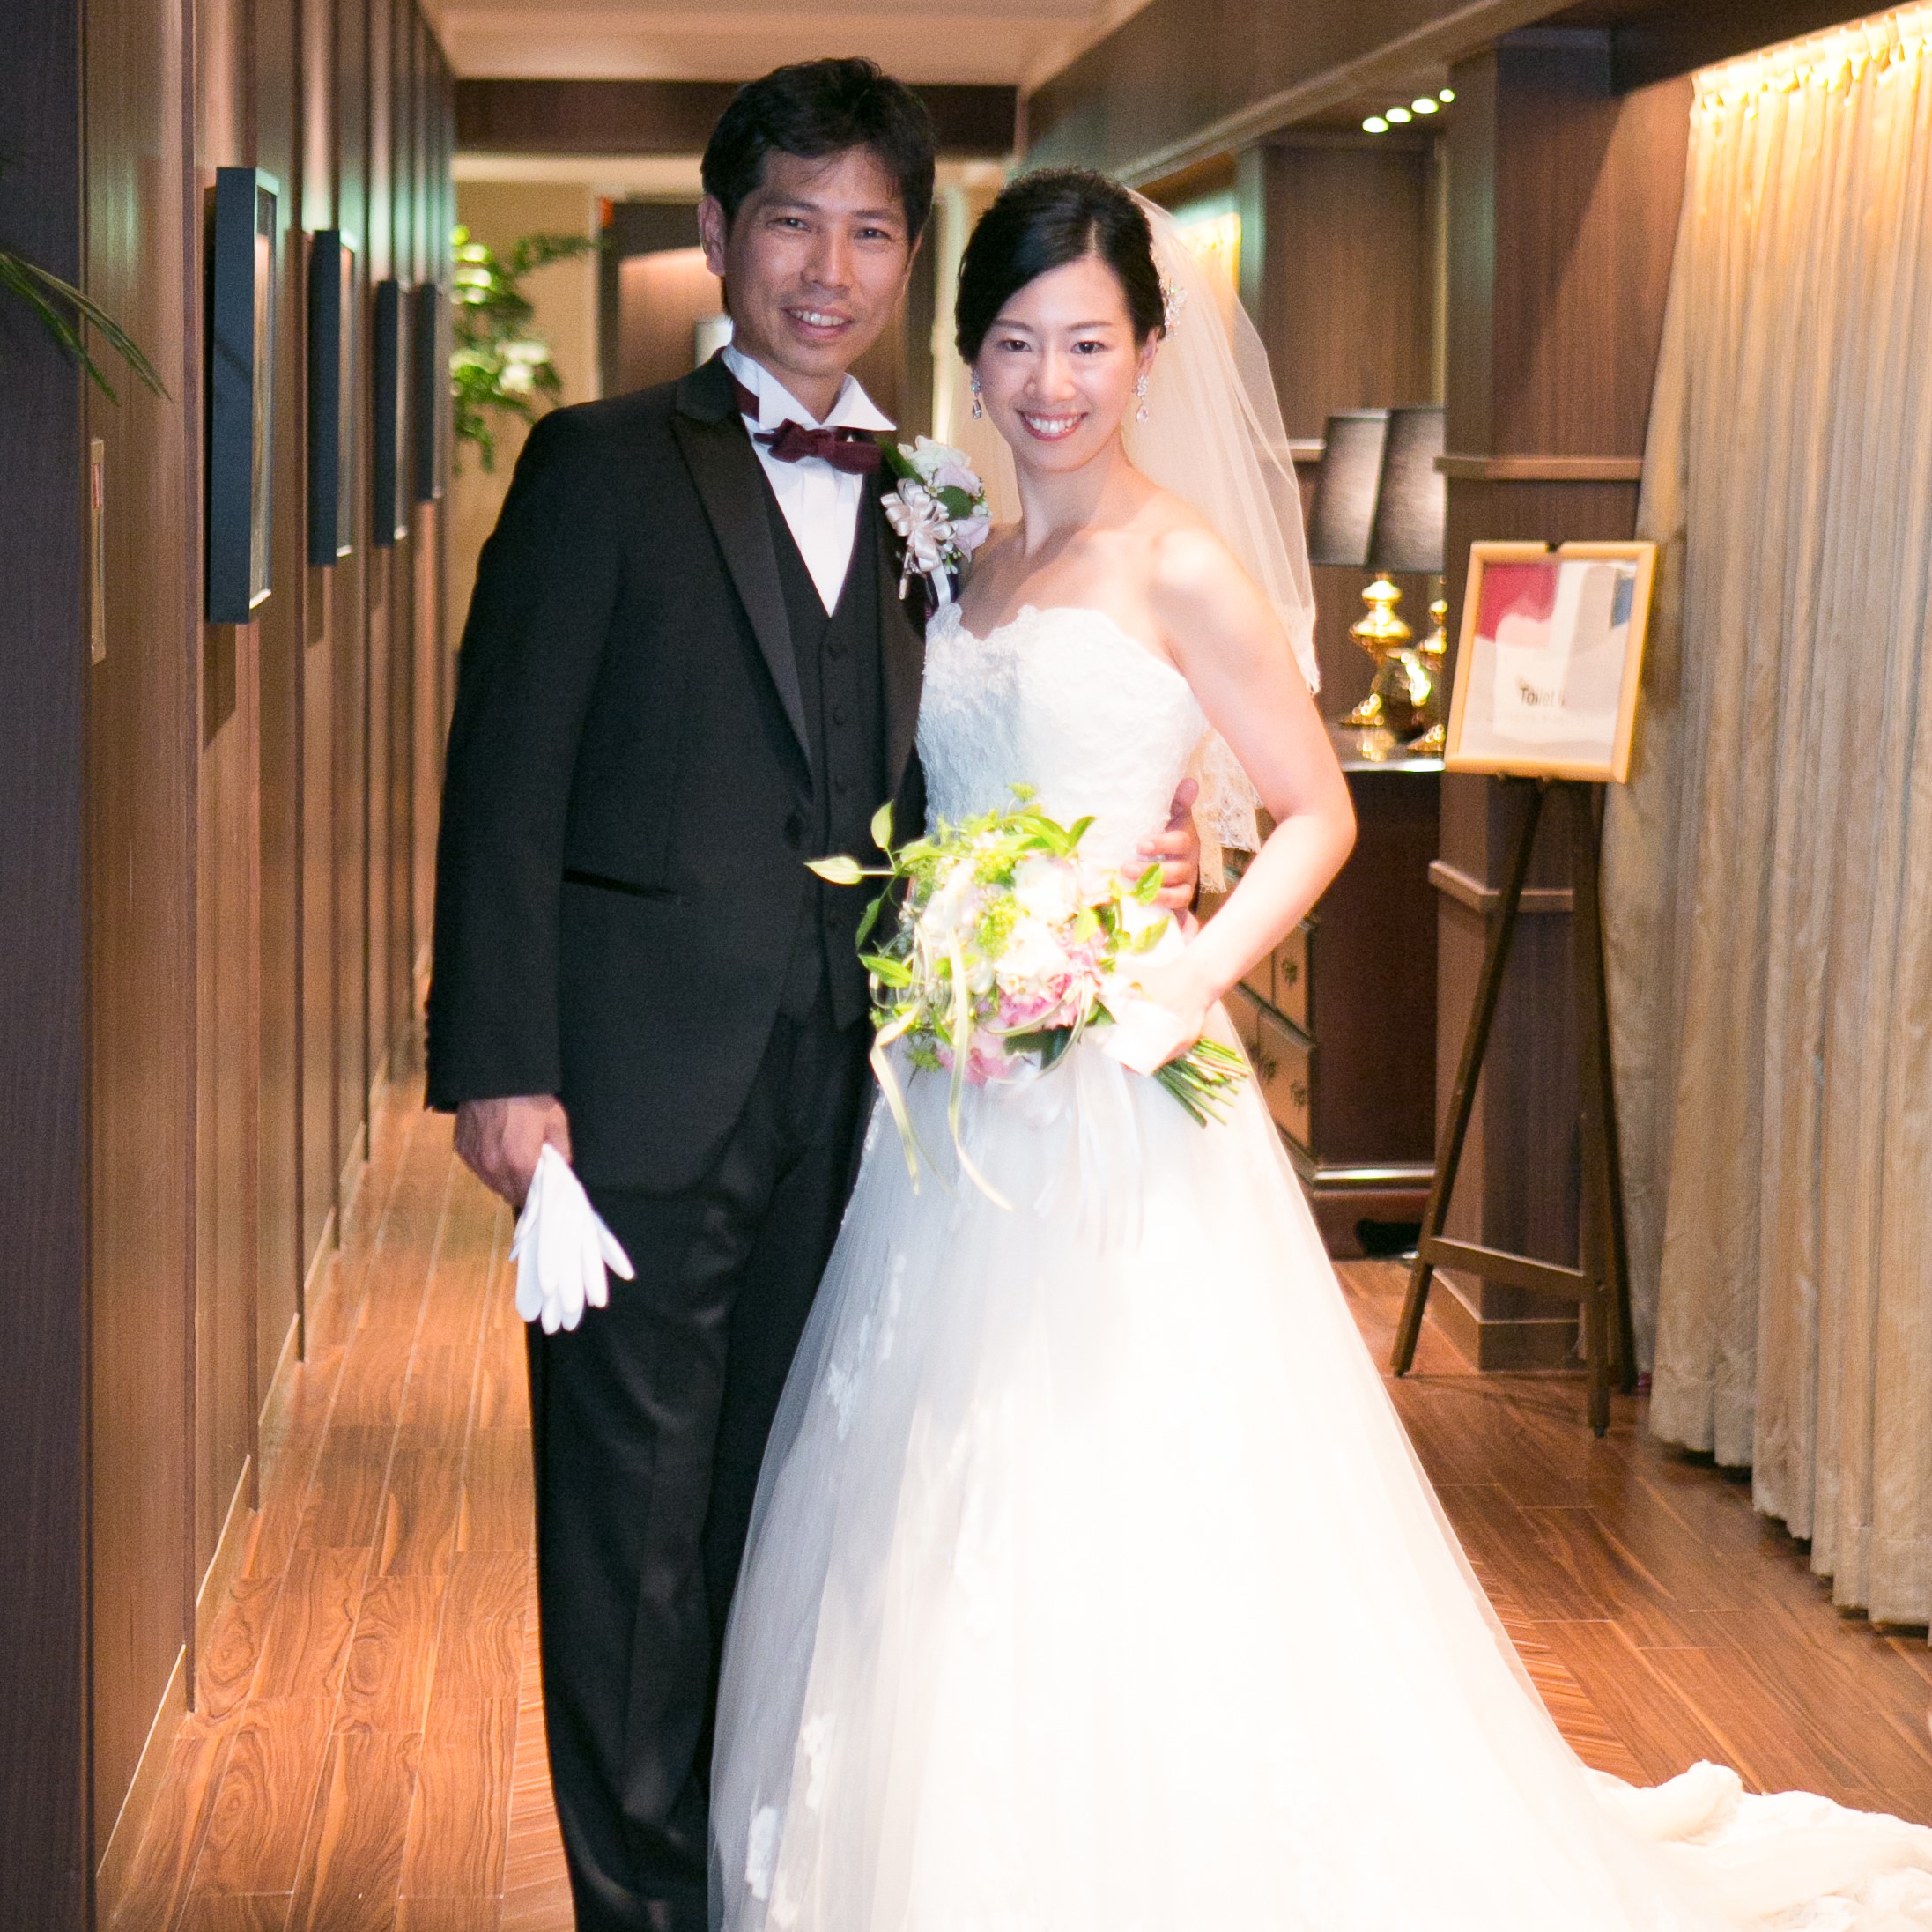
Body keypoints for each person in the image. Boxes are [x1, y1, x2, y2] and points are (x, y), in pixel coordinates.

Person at [708, 167, 1932, 1932]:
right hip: (953, 1092)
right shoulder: (959, 548)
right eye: (1017, 344)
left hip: (1120, 1086)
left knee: (1127, 1471)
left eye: (1088, 344)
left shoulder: (1180, 562)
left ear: (1147, 354)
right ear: (970, 356)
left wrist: (1170, 972)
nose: (1051, 382)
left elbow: (1315, 808)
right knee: (939, 1469)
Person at [426, 65, 1201, 1932]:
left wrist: (1135, 846)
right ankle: (637, 1906)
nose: (827, 269)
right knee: (626, 1536)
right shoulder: (599, 465)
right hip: (633, 1095)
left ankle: (749, 1877)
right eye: (791, 221)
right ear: (720, 234)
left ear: (906, 255)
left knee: (784, 1526)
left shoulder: (936, 498)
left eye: (867, 231)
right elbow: (501, 784)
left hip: (872, 1114)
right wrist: (501, 1070)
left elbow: (963, 768)